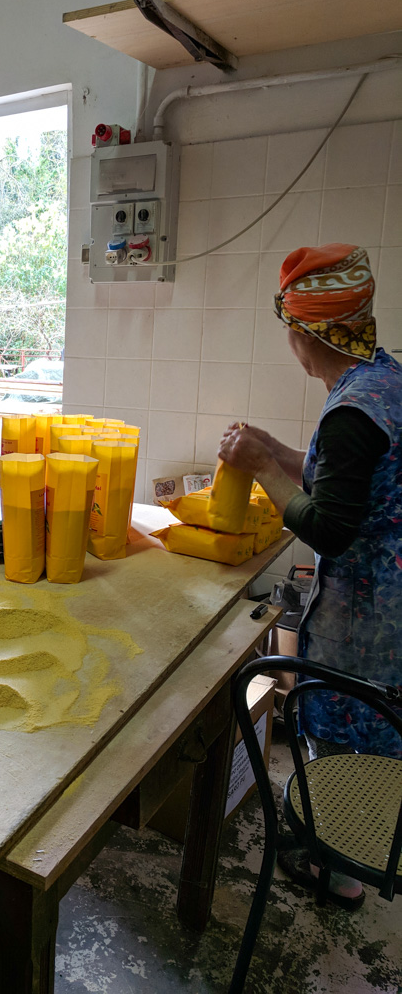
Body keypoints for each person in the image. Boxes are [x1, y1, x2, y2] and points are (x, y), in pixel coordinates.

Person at [218, 243, 402, 910]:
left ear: (303, 332)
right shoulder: (377, 380)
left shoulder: (354, 412)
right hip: (384, 599)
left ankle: (343, 870)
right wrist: (273, 450)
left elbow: (329, 525)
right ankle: (358, 841)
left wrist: (262, 473)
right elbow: (336, 480)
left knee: (352, 728)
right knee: (371, 737)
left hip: (371, 613)